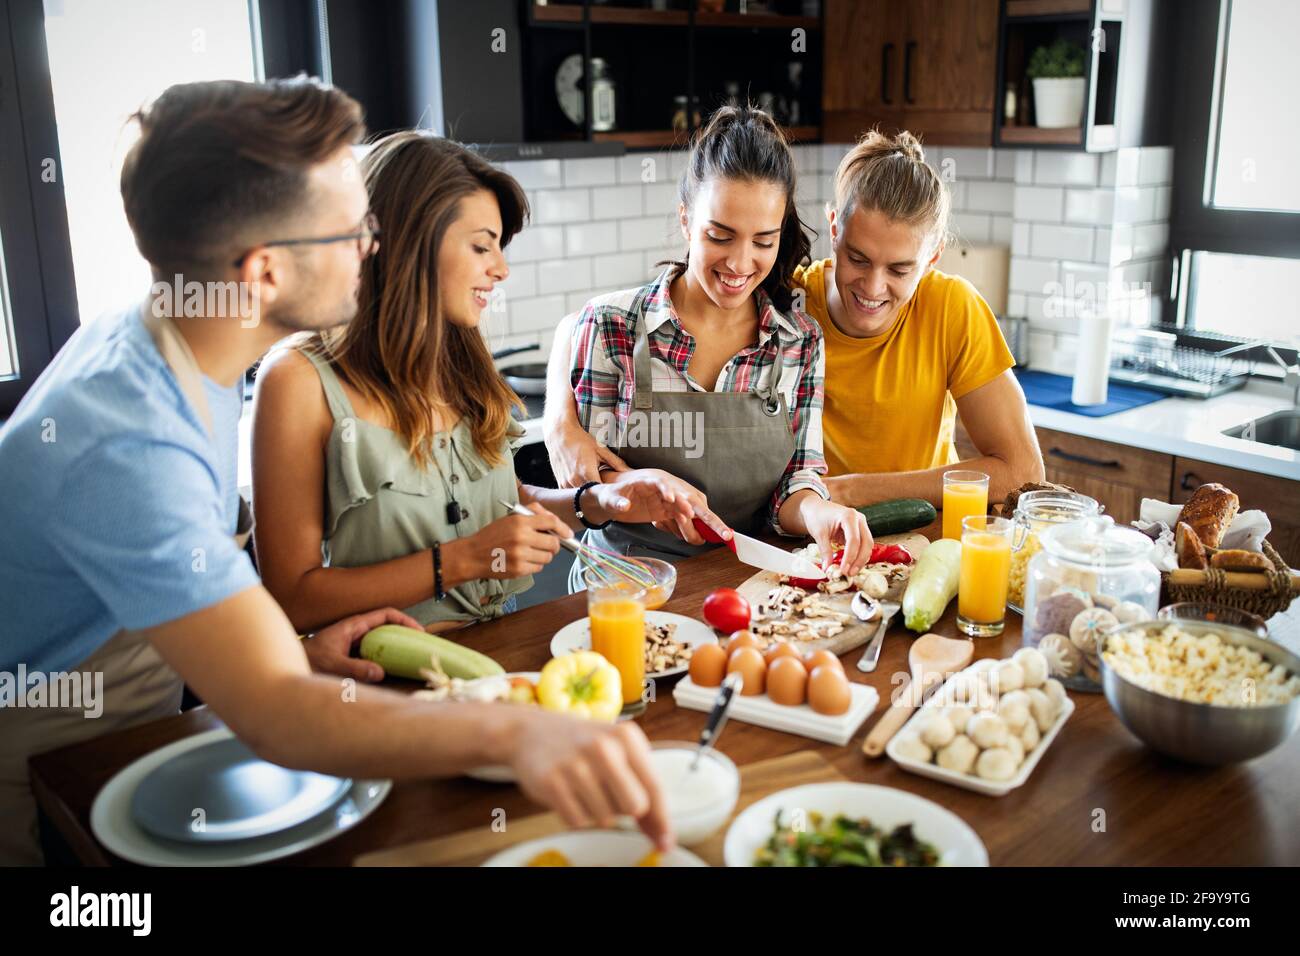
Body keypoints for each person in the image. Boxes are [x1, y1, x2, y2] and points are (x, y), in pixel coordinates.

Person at [0, 78, 669, 865]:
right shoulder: (132, 437)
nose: (374, 248)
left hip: (149, 710)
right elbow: (276, 708)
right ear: (263, 272)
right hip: (41, 741)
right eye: (348, 232)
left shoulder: (178, 338)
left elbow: (207, 619)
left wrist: (296, 657)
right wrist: (514, 728)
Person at [252, 131, 704, 636]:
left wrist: (598, 502)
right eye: (480, 246)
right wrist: (462, 561)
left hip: (495, 655)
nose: (501, 269)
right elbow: (290, 599)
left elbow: (498, 501)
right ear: (409, 241)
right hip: (382, 682)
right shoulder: (297, 381)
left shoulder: (458, 360)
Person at [546, 128, 1044, 510]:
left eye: (899, 269)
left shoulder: (952, 308)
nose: (872, 288)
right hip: (807, 543)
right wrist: (560, 422)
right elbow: (584, 324)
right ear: (834, 227)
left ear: (932, 258)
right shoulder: (790, 302)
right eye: (857, 258)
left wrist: (847, 492)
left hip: (918, 528)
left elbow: (1022, 470)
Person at [547, 105, 873, 586]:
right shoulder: (613, 327)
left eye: (764, 241)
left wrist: (821, 512)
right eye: (720, 235)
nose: (741, 262)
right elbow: (585, 479)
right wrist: (636, 490)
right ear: (685, 219)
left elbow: (796, 481)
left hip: (748, 586)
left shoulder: (797, 343)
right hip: (623, 584)